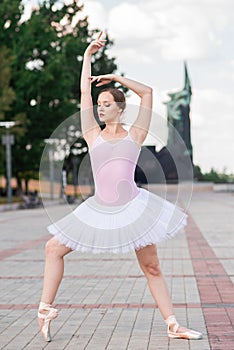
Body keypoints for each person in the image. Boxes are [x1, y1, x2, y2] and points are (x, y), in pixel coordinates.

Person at [38, 32, 202, 342]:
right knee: (52, 249)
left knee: (151, 266)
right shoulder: (92, 134)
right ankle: (45, 309)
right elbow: (84, 93)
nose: (99, 108)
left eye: (106, 104)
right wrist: (87, 56)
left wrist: (115, 77)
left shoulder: (135, 133)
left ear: (118, 107)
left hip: (135, 208)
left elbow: (148, 92)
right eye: (98, 104)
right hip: (99, 208)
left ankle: (172, 324)